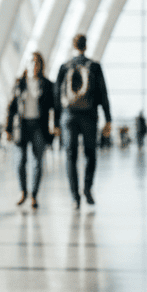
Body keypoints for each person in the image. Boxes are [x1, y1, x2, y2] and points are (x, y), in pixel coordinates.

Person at [55, 33, 112, 209]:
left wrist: (56, 121)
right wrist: (108, 119)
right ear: (86, 46)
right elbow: (103, 93)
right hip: (89, 115)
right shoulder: (94, 66)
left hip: (69, 116)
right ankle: (87, 188)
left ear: (73, 46)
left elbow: (56, 95)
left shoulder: (65, 66)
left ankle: (74, 197)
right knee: (90, 153)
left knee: (70, 155)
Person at [6, 53, 58, 208]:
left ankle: (34, 195)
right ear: (26, 64)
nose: (34, 65)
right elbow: (11, 107)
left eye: (37, 62)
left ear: (41, 65)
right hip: (21, 126)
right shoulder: (19, 83)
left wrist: (55, 126)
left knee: (37, 162)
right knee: (20, 161)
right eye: (31, 62)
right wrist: (8, 129)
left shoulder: (47, 84)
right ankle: (23, 192)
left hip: (39, 126)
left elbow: (55, 107)